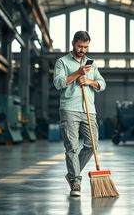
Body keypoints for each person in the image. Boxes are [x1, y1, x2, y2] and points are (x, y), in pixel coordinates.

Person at [53, 30, 106, 196]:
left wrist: (89, 81)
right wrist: (77, 73)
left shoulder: (92, 63)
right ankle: (75, 182)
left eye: (86, 47)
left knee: (92, 145)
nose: (83, 50)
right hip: (69, 109)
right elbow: (58, 83)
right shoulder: (62, 62)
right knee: (72, 148)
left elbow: (102, 84)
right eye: (80, 46)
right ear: (73, 43)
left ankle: (71, 174)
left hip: (89, 110)